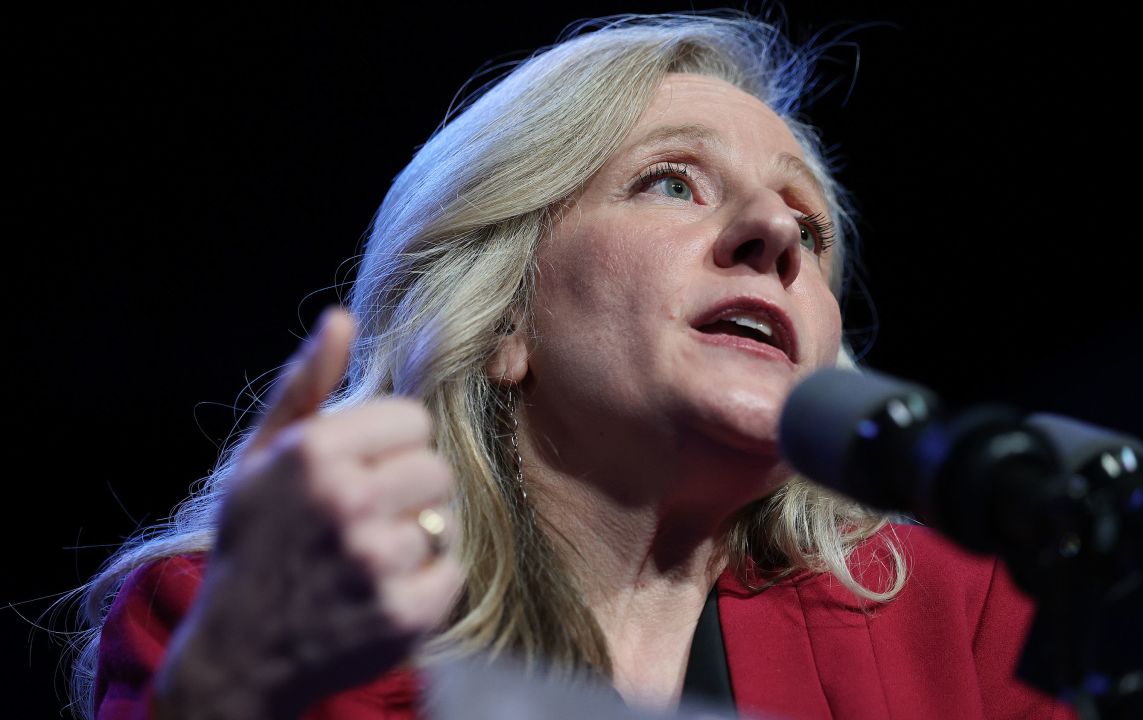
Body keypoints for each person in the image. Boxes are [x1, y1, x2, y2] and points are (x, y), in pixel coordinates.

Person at [68, 12, 1077, 720]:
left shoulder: (954, 622)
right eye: (671, 182)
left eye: (809, 230)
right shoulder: (252, 622)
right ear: (502, 317)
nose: (773, 233)